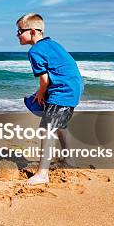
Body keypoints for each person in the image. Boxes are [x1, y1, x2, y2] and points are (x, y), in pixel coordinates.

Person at [16, 13, 83, 185]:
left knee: (47, 129)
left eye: (19, 31)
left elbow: (44, 80)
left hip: (62, 90)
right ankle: (69, 161)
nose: (17, 35)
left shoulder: (35, 51)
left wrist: (40, 93)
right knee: (60, 126)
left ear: (32, 31)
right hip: (73, 88)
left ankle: (42, 174)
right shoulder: (53, 44)